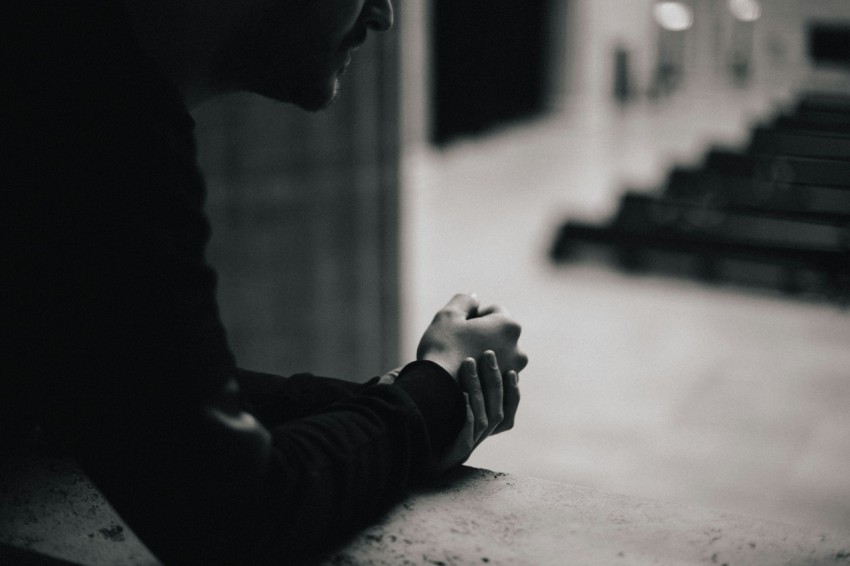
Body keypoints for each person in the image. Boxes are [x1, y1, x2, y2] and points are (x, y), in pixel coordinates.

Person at [1, 0, 528, 564]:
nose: (384, 16)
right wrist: (432, 390)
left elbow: (129, 389)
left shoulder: (62, 64)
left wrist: (409, 393)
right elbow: (236, 513)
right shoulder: (93, 124)